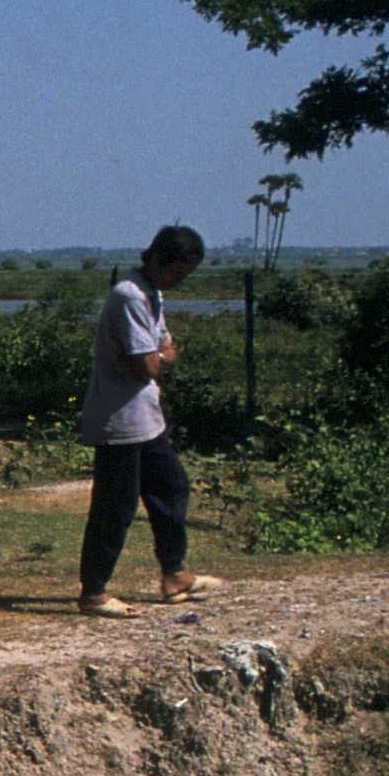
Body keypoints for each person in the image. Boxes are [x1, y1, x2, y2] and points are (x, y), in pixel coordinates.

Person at [76, 225, 227, 618]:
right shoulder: (129, 295)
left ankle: (174, 573)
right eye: (177, 272)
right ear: (158, 259)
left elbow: (159, 354)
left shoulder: (151, 294)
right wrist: (157, 358)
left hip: (147, 417)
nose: (180, 281)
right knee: (115, 506)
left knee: (170, 487)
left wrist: (157, 358)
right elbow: (149, 363)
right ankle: (93, 591)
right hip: (120, 419)